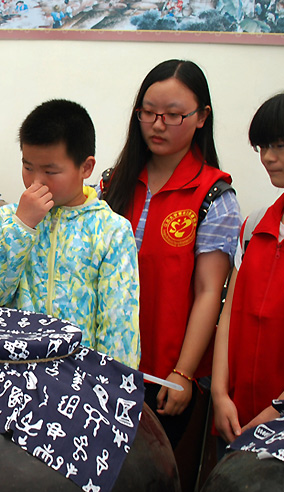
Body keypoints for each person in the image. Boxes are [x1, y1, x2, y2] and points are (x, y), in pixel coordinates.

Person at [101, 60, 241, 445]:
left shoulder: (214, 197)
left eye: (174, 115)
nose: (157, 124)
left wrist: (183, 373)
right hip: (104, 360)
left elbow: (209, 292)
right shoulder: (112, 184)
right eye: (148, 112)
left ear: (202, 117)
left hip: (163, 372)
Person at [0, 99, 140, 368]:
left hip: (77, 377)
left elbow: (119, 326)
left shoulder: (112, 231)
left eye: (50, 171)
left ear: (86, 167)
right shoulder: (10, 219)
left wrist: (112, 382)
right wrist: (22, 226)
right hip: (15, 371)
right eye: (28, 167)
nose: (36, 181)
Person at [211, 87, 284, 443]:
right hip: (236, 414)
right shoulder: (255, 226)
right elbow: (229, 313)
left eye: (283, 144)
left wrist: (277, 412)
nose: (268, 157)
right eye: (263, 146)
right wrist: (219, 393)